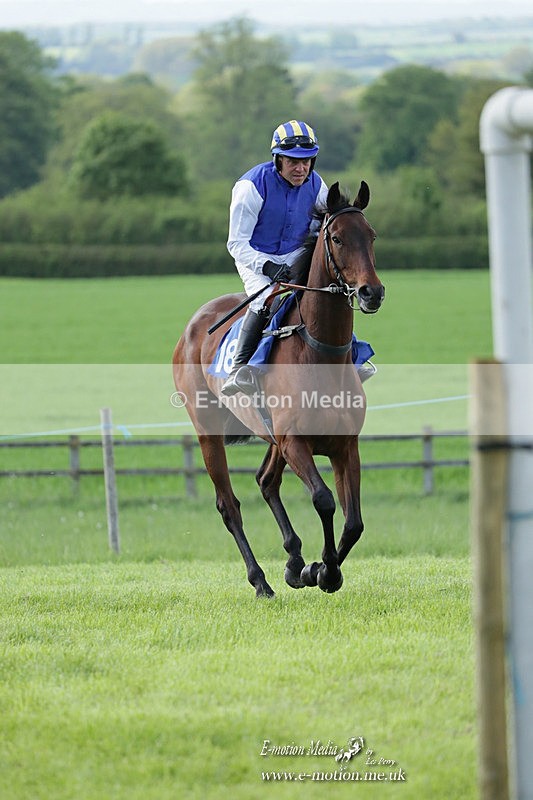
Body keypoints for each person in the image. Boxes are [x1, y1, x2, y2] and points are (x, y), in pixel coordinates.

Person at [221, 119, 328, 396]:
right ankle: (239, 368)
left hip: (295, 255)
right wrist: (267, 266)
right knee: (266, 300)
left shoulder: (318, 186)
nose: (300, 168)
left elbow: (319, 233)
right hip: (255, 256)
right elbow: (236, 243)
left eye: (306, 161)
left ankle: (351, 357)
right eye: (292, 162)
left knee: (325, 294)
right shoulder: (251, 186)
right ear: (278, 159)